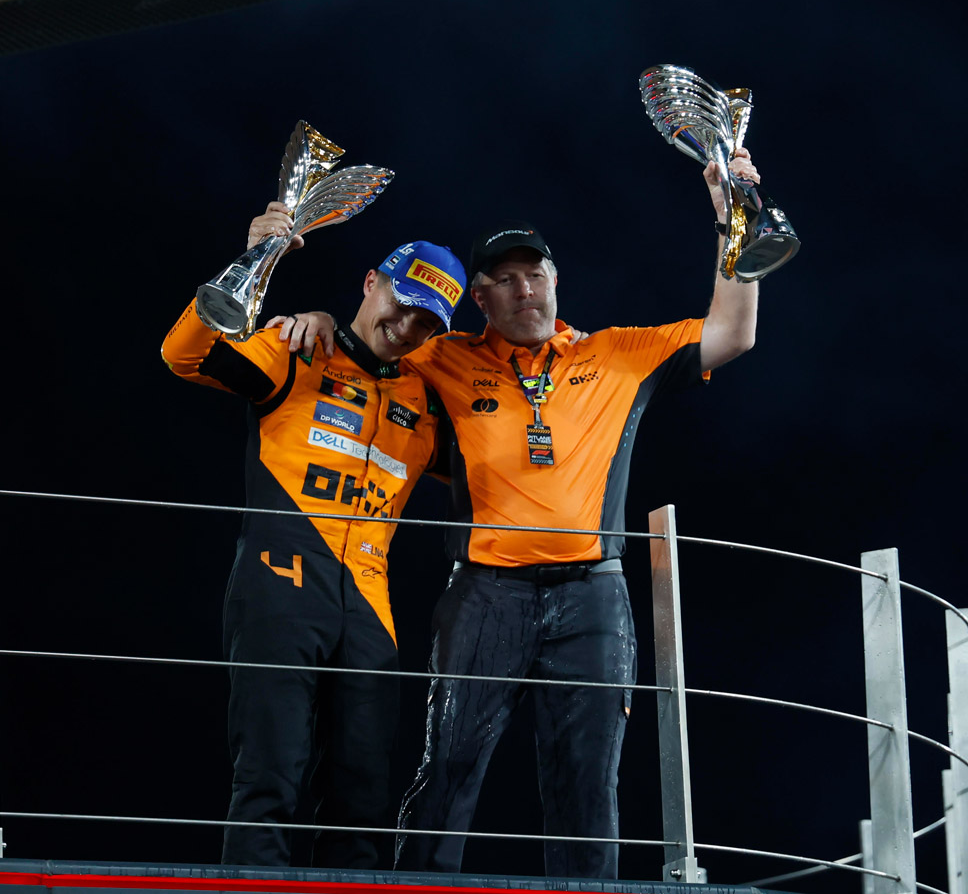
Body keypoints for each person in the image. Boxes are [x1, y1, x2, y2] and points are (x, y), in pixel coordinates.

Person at [274, 148, 762, 879]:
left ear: (557, 280)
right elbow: (372, 340)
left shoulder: (618, 354)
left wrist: (737, 221)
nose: (523, 289)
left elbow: (735, 332)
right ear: (481, 297)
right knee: (448, 769)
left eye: (534, 274)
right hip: (483, 594)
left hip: (593, 596)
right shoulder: (443, 356)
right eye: (504, 281)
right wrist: (315, 316)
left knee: (586, 783)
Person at [160, 203, 467, 870]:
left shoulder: (424, 397)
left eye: (426, 321)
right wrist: (253, 263)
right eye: (401, 301)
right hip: (279, 588)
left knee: (363, 798)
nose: (405, 325)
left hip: (371, 614)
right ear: (370, 283)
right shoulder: (301, 348)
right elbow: (184, 355)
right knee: (270, 780)